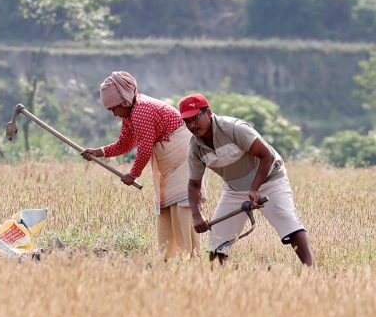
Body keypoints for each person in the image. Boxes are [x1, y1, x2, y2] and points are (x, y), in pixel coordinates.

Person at [180, 93, 313, 266]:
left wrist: (255, 189)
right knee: (217, 240)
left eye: (195, 118)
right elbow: (194, 185)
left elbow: (266, 156)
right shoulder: (195, 147)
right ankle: (215, 282)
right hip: (234, 190)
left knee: (286, 220)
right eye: (187, 121)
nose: (192, 125)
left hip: (269, 180)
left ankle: (311, 270)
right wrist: (197, 216)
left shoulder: (234, 128)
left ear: (209, 113)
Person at [81, 71, 199, 259]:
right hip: (170, 166)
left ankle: (192, 257)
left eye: (114, 108)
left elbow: (144, 148)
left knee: (182, 207)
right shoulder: (131, 115)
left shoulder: (142, 110)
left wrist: (133, 174)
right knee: (168, 208)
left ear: (125, 101)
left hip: (184, 159)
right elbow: (125, 144)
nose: (114, 114)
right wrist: (99, 151)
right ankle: (168, 258)